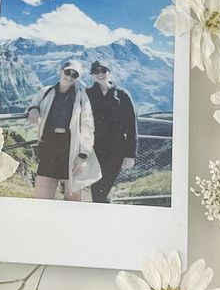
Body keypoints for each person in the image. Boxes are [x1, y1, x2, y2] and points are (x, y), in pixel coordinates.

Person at [27, 59, 101, 201]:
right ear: (61, 71)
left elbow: (87, 126)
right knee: (43, 192)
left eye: (74, 75)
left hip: (70, 146)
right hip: (48, 145)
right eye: (68, 72)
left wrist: (83, 155)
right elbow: (34, 103)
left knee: (72, 195)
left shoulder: (81, 97)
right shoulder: (46, 91)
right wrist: (33, 109)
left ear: (78, 78)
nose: (70, 76)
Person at [85, 60, 137, 203]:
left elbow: (132, 126)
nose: (100, 74)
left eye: (103, 70)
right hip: (93, 150)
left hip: (116, 151)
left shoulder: (123, 95)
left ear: (109, 72)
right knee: (97, 189)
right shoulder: (87, 94)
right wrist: (34, 108)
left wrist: (130, 155)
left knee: (104, 187)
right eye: (96, 71)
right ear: (92, 75)